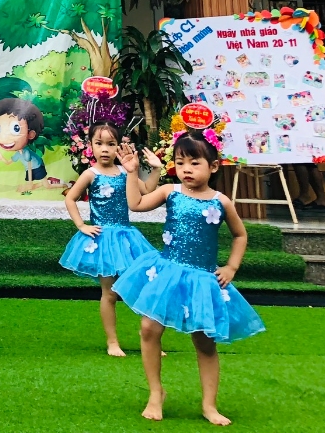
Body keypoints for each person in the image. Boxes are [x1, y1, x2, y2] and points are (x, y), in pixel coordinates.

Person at [118, 130, 265, 425]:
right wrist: (132, 173)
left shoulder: (222, 201)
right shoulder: (170, 192)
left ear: (213, 166)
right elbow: (136, 204)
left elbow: (240, 235)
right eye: (181, 162)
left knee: (205, 341)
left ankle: (209, 405)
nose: (186, 169)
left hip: (202, 280)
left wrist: (231, 267)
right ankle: (156, 393)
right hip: (167, 272)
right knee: (149, 328)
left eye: (195, 163)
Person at [60, 122, 161, 357]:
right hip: (103, 240)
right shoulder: (90, 174)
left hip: (127, 238)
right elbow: (70, 198)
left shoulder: (126, 172)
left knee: (143, 284)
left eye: (111, 144)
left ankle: (148, 336)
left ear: (119, 146)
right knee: (110, 293)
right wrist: (81, 225)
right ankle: (112, 342)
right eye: (99, 143)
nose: (105, 149)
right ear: (90, 146)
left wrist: (156, 169)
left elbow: (147, 190)